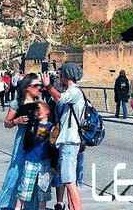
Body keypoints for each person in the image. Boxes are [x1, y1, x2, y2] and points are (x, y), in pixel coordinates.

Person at [0, 74, 44, 210]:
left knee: (33, 177)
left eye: (40, 85)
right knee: (16, 173)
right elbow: (6, 123)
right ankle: (6, 206)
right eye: (37, 85)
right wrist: (16, 121)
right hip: (22, 143)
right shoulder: (17, 103)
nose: (40, 88)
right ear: (27, 87)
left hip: (37, 143)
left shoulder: (40, 101)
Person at [42, 63, 85, 210]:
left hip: (70, 142)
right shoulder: (72, 92)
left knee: (69, 181)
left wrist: (48, 86)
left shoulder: (74, 92)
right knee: (69, 180)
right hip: (68, 142)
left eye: (61, 74)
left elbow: (59, 97)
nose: (59, 77)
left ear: (66, 76)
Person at [15, 102, 54, 209]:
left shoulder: (51, 127)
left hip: (45, 162)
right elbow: (36, 138)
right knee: (25, 188)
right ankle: (18, 208)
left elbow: (53, 145)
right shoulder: (32, 125)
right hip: (31, 160)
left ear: (47, 111)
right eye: (36, 109)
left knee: (43, 191)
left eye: (40, 109)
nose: (38, 111)